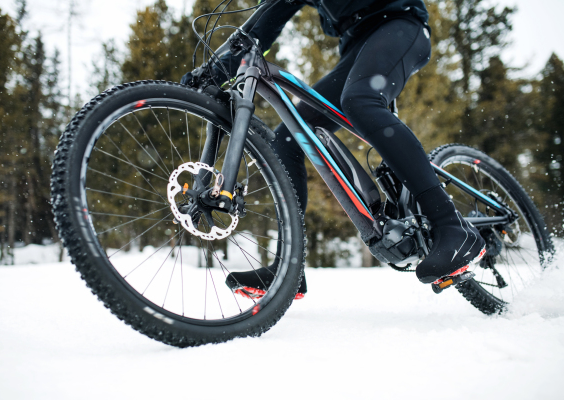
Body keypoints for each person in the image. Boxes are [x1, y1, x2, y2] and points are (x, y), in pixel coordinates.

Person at [182, 0, 485, 299]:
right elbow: (265, 24)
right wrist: (214, 71)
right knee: (287, 138)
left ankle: (451, 225)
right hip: (358, 44)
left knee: (361, 100)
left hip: (400, 23)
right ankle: (289, 268)